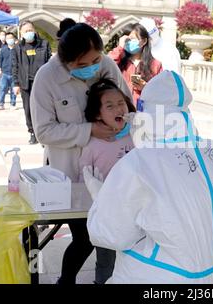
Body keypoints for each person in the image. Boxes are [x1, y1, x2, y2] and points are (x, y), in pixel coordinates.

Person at [85, 70, 213, 283]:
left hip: (161, 276)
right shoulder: (212, 152)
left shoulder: (139, 162)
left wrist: (101, 198)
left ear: (145, 112)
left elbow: (111, 234)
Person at [30, 22, 131, 284]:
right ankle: (67, 280)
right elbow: (44, 131)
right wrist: (89, 131)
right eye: (82, 64)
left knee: (109, 233)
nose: (92, 67)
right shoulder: (47, 77)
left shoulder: (106, 65)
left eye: (96, 59)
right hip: (71, 174)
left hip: (110, 172)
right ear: (66, 62)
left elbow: (126, 105)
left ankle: (104, 279)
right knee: (85, 237)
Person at [79, 78, 135, 284]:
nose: (118, 109)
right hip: (106, 213)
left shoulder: (137, 136)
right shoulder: (92, 145)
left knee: (134, 256)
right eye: (109, 106)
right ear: (97, 114)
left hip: (135, 209)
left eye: (121, 103)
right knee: (106, 260)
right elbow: (83, 178)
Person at [12, 21, 52, 144]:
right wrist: (16, 84)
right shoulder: (18, 47)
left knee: (43, 108)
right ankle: (33, 132)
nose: (29, 33)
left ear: (34, 31)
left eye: (30, 30)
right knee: (28, 109)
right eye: (26, 31)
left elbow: (49, 63)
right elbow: (15, 65)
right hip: (25, 83)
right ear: (21, 33)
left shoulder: (44, 44)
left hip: (41, 82)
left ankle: (45, 133)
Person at [108, 23, 162, 107]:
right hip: (121, 110)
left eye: (132, 39)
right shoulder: (119, 60)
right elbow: (107, 65)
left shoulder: (155, 65)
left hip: (145, 112)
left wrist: (146, 87)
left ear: (143, 41)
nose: (128, 42)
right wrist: (120, 47)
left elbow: (161, 92)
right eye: (126, 40)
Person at [0, 33, 17, 110]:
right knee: (2, 88)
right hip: (4, 72)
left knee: (13, 89)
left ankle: (13, 104)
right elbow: (0, 60)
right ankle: (1, 104)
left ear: (14, 39)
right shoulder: (3, 49)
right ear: (6, 40)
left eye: (11, 38)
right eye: (8, 38)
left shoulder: (17, 49)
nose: (10, 40)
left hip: (14, 73)